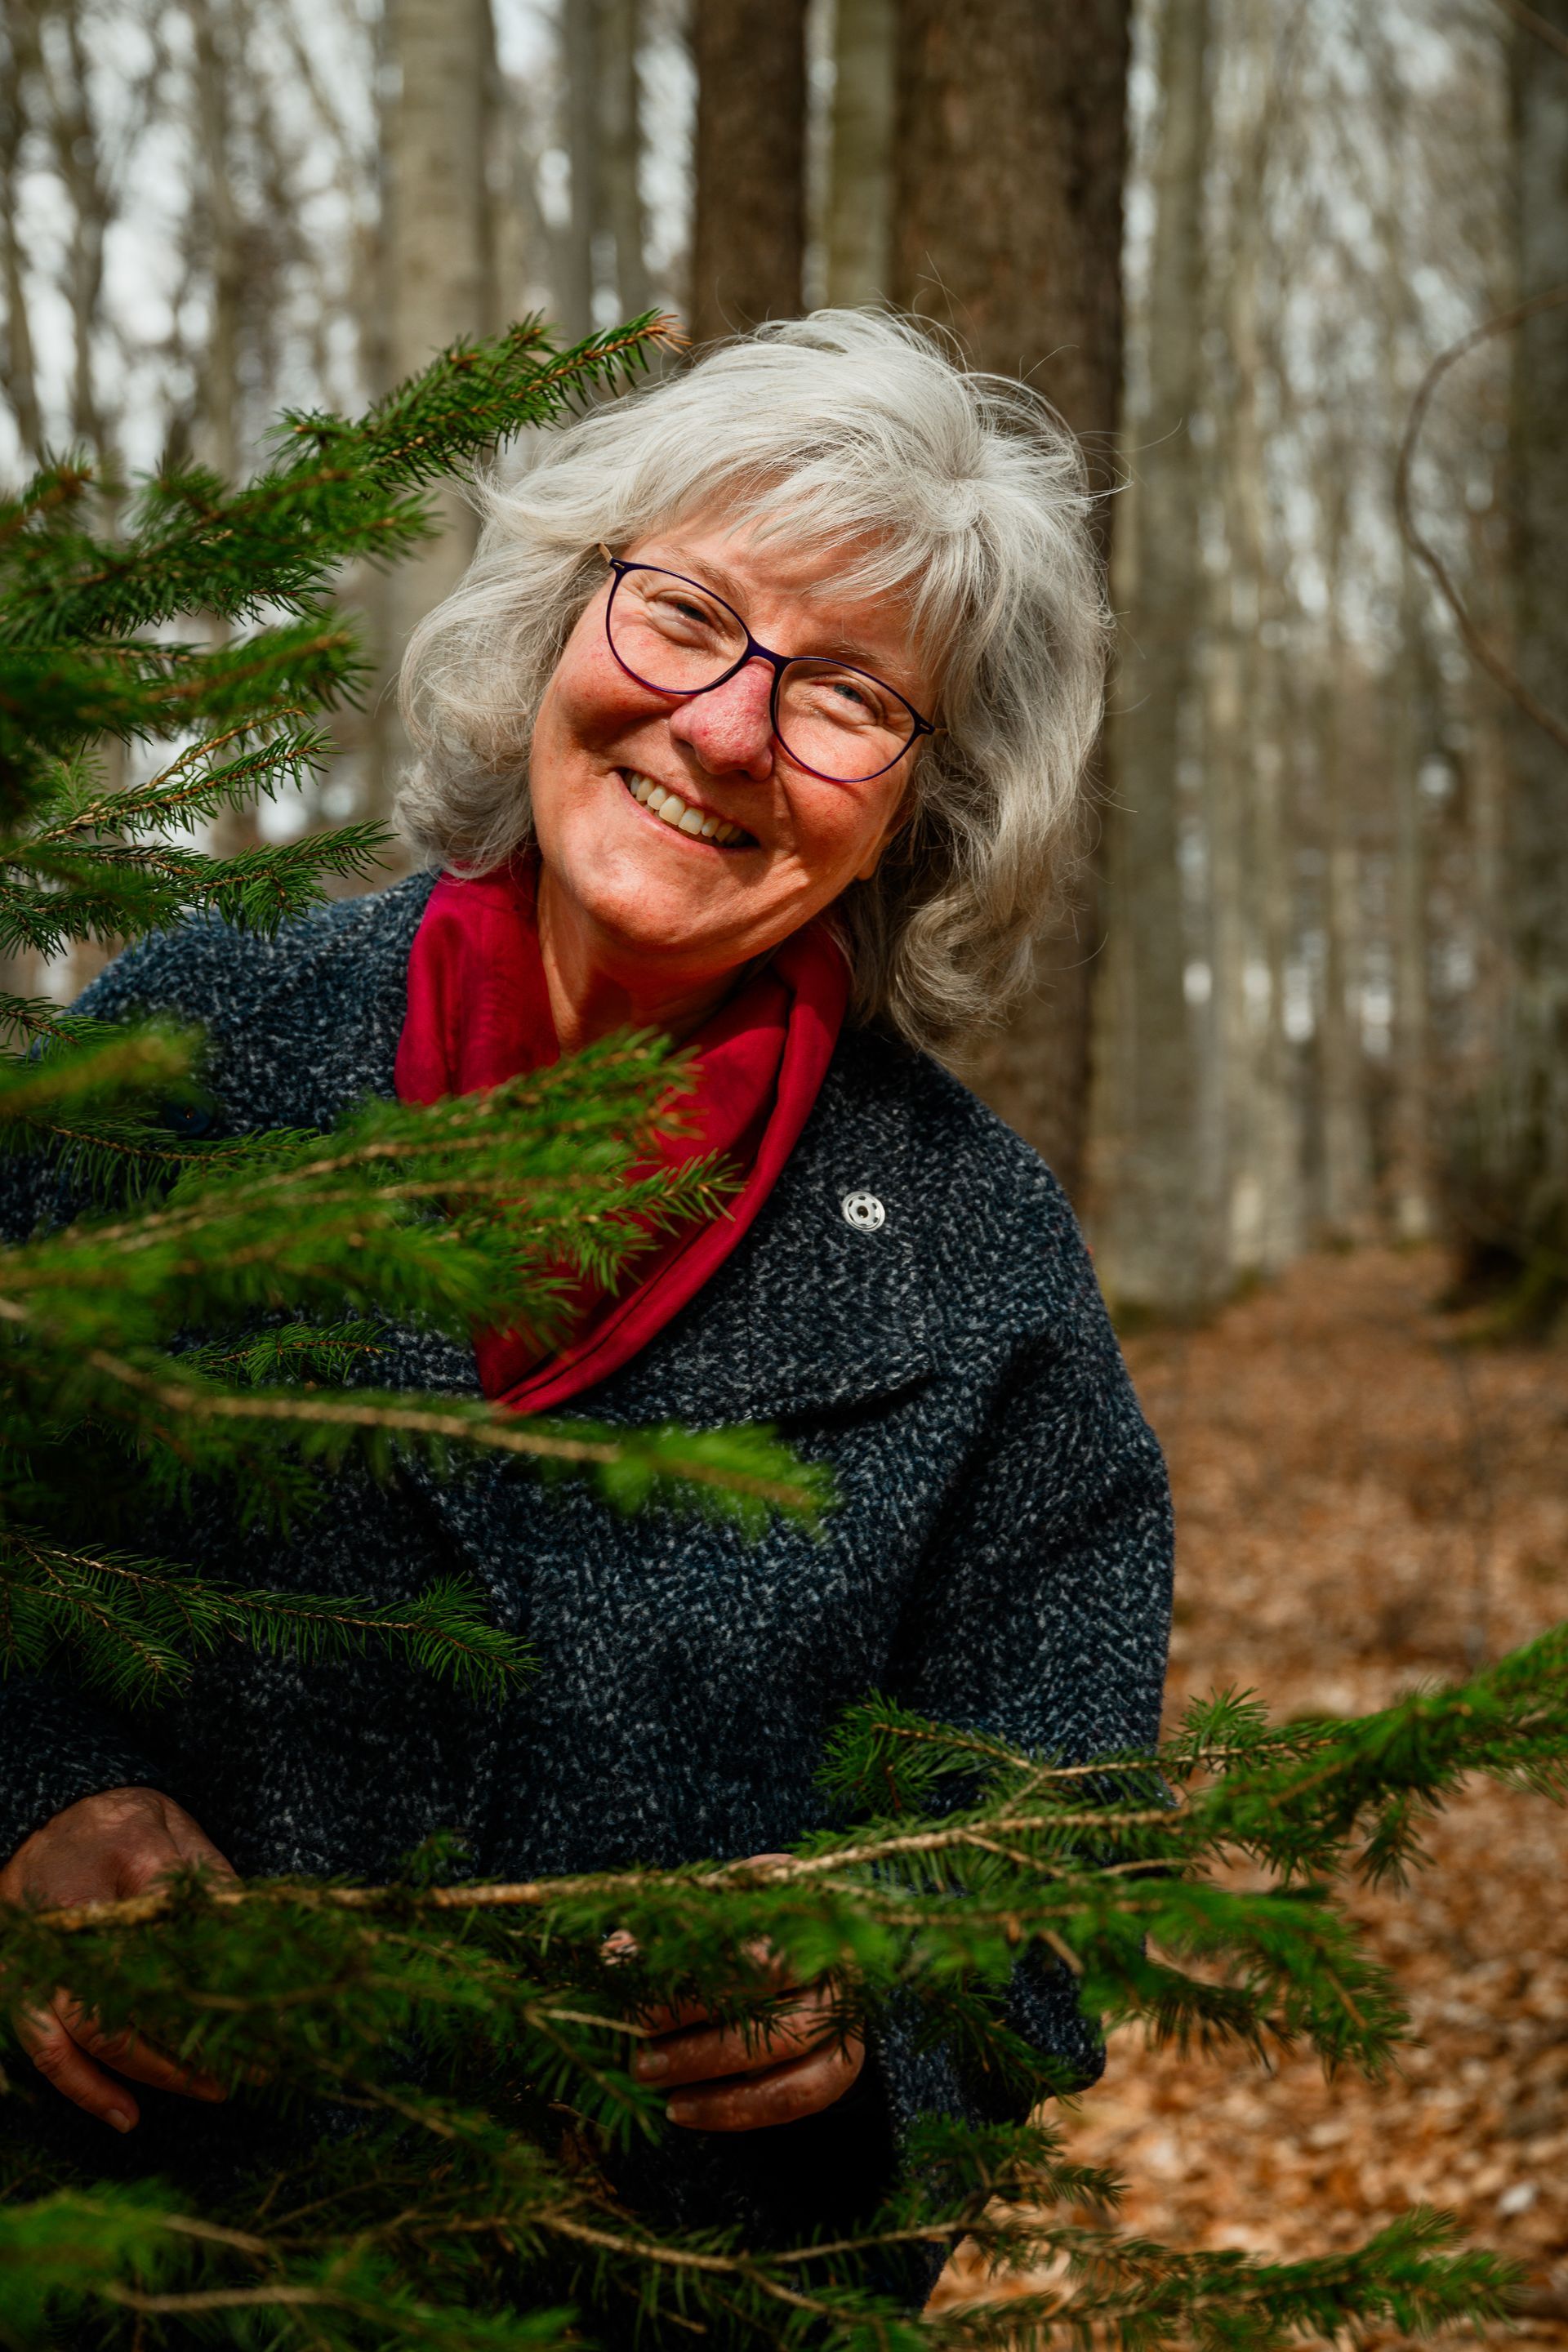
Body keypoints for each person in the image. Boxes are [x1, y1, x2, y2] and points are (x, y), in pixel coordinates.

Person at [0, 311, 1172, 2290]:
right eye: (687, 614)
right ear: (558, 620)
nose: (724, 728)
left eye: (845, 701)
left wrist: (879, 2014)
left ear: (921, 808)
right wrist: (28, 1806)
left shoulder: (983, 1260)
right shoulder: (187, 1049)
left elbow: (1063, 1846)